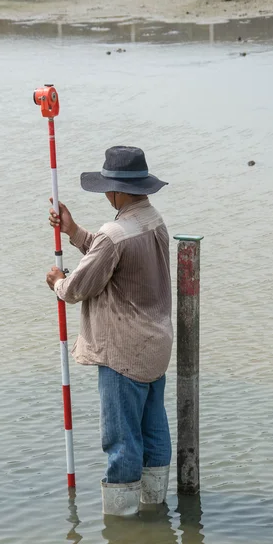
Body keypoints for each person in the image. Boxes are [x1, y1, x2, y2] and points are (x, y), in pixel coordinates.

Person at [46, 146, 173, 516]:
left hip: (123, 352)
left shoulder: (113, 233)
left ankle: (122, 524)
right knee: (153, 430)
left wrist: (57, 281)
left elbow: (78, 288)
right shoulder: (153, 220)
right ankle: (155, 505)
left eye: (107, 188)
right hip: (156, 345)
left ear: (117, 191)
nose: (105, 195)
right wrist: (73, 231)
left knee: (120, 440)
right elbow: (111, 257)